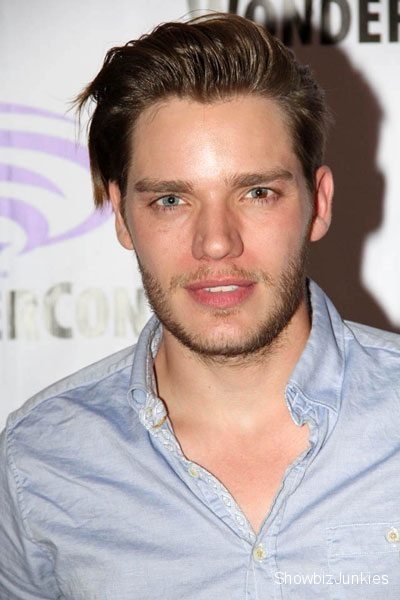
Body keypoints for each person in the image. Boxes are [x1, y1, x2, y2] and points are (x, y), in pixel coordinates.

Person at [1, 13, 399, 600]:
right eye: (171, 199)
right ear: (123, 217)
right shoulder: (38, 459)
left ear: (318, 203)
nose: (216, 243)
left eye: (257, 193)